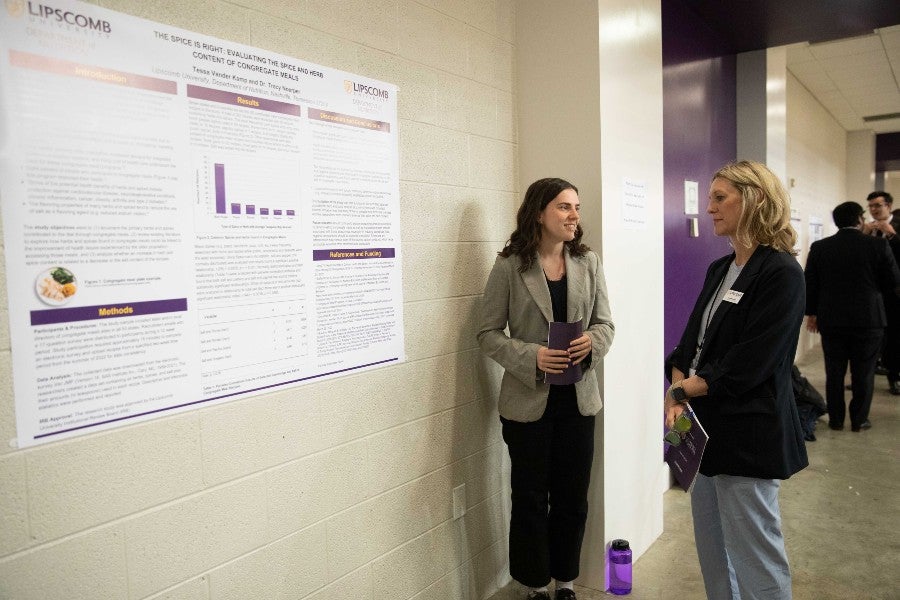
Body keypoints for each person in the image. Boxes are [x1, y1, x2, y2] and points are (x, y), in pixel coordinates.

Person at [664, 161, 808, 600]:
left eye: (720, 198)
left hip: (749, 434)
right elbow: (690, 344)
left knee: (756, 557)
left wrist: (681, 390)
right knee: (714, 552)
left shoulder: (781, 273)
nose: (709, 208)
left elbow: (751, 363)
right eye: (710, 198)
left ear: (756, 200)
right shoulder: (720, 268)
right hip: (702, 433)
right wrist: (675, 387)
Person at [478, 178, 614, 600]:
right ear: (539, 212)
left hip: (579, 400)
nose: (575, 215)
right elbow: (486, 332)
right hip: (527, 404)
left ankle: (565, 583)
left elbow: (606, 324)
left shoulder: (588, 262)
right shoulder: (509, 266)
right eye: (564, 207)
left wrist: (593, 342)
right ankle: (535, 586)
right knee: (531, 499)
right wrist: (531, 357)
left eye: (576, 206)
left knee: (573, 499)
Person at [804, 201, 900, 431]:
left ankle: (836, 420)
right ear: (859, 219)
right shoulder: (877, 246)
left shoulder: (820, 247)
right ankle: (859, 420)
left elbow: (811, 284)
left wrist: (812, 313)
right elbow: (893, 282)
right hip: (869, 320)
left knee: (834, 371)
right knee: (864, 372)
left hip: (831, 319)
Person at [864, 191, 900, 394]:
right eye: (871, 206)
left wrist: (892, 234)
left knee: (895, 336)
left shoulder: (897, 225)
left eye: (877, 205)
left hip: (895, 293)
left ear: (888, 205)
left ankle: (894, 377)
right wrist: (865, 235)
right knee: (871, 338)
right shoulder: (868, 229)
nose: (874, 210)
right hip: (873, 292)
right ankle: (864, 378)